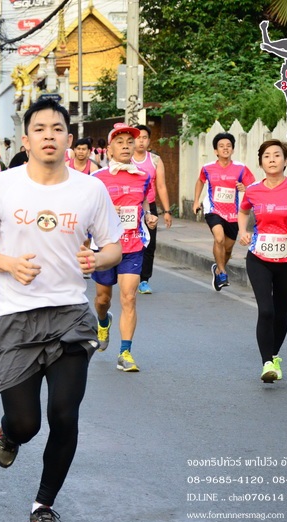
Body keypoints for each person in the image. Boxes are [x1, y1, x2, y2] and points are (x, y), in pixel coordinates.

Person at [0, 99, 123, 522]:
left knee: (65, 416)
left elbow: (114, 245)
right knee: (26, 423)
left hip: (70, 315)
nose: (49, 135)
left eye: (57, 128)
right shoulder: (2, 187)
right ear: (26, 139)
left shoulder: (90, 189)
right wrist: (8, 264)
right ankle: (9, 433)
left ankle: (43, 505)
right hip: (16, 317)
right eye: (40, 128)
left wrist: (98, 259)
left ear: (69, 138)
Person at [238, 139, 287, 383]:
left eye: (277, 155)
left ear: (285, 161)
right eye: (267, 156)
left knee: (281, 314)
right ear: (261, 162)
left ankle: (274, 356)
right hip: (259, 257)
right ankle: (266, 364)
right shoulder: (253, 190)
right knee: (266, 310)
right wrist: (243, 231)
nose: (272, 159)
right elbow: (243, 210)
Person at [92, 123, 158, 374]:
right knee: (103, 300)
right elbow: (88, 212)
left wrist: (149, 215)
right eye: (120, 142)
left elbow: (144, 202)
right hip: (105, 246)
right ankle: (103, 322)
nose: (126, 146)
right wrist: (109, 211)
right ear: (109, 149)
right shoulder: (97, 179)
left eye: (130, 142)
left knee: (129, 297)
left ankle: (125, 353)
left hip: (133, 244)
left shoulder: (143, 176)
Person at [192, 132, 256, 291]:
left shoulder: (241, 168)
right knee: (219, 238)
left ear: (233, 149)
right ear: (216, 151)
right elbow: (200, 181)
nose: (225, 148)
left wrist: (244, 188)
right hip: (213, 209)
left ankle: (218, 268)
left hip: (233, 213)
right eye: (221, 146)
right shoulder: (208, 168)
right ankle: (222, 272)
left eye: (228, 146)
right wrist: (196, 201)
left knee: (227, 249)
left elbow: (254, 187)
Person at [132, 125, 173, 294]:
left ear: (149, 141)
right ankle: (130, 274)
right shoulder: (126, 159)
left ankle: (144, 280)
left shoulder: (155, 160)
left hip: (150, 207)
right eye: (138, 138)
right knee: (131, 242)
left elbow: (161, 186)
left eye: (144, 138)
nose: (141, 141)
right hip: (130, 207)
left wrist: (167, 211)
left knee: (149, 244)